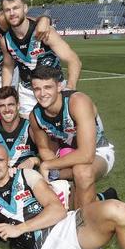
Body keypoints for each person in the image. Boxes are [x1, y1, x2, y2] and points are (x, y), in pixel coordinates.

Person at [28, 66, 115, 208]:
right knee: (38, 179)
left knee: (82, 172)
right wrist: (53, 168)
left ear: (59, 86)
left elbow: (87, 155)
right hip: (67, 157)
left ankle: (83, 227)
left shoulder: (78, 102)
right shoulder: (35, 115)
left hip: (98, 152)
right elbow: (44, 149)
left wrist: (49, 165)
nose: (42, 93)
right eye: (37, 89)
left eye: (48, 87)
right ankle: (102, 198)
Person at [0, 0, 81, 117]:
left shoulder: (44, 32)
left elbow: (73, 60)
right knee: (30, 133)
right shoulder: (5, 41)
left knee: (62, 132)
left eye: (16, 8)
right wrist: (4, 92)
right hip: (27, 92)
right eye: (7, 10)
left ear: (25, 8)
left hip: (53, 89)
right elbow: (8, 66)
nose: (12, 13)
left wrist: (70, 89)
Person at [0, 86, 38, 169]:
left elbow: (45, 157)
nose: (7, 109)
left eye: (10, 105)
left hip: (26, 177)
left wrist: (34, 160)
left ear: (18, 106)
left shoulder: (30, 128)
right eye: (2, 106)